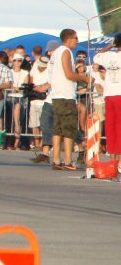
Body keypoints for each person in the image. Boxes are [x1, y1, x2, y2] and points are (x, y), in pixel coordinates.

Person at [48, 29, 92, 170]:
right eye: (75, 38)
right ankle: (67, 160)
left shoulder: (57, 52)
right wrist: (84, 77)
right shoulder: (66, 51)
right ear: (69, 39)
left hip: (57, 94)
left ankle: (56, 159)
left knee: (58, 128)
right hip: (65, 95)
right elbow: (68, 74)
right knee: (68, 128)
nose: (77, 41)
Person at [93, 35, 121, 176]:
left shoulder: (109, 56)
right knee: (119, 128)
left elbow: (96, 57)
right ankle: (119, 161)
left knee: (111, 128)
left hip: (109, 94)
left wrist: (110, 46)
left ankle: (112, 160)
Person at [9, 53, 30, 149]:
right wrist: (13, 87)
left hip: (21, 97)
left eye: (19, 60)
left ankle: (17, 140)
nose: (17, 62)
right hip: (10, 97)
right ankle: (14, 137)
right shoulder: (9, 72)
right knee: (12, 118)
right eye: (15, 60)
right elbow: (8, 84)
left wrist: (18, 88)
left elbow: (25, 85)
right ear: (12, 61)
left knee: (20, 118)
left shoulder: (25, 73)